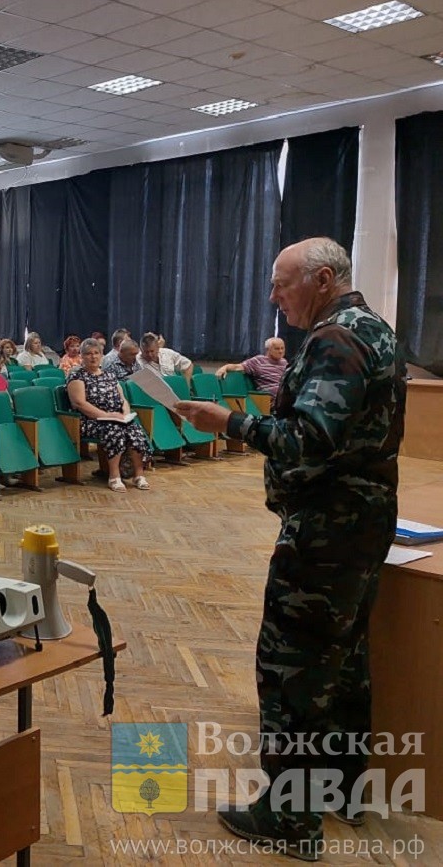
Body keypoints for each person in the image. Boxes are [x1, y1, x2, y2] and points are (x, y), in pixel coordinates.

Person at [175, 238, 404, 854]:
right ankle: (342, 793)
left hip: (327, 531)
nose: (273, 297)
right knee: (342, 661)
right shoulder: (373, 328)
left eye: (281, 284)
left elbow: (308, 439)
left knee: (292, 673)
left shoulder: (335, 340)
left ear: (322, 279)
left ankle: (291, 821)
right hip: (361, 522)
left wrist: (229, 423)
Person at [66, 338, 152, 492]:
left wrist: (125, 412)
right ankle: (114, 476)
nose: (93, 357)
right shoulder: (76, 376)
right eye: (88, 354)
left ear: (101, 355)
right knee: (115, 430)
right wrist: (107, 415)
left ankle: (138, 475)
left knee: (135, 430)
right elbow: (79, 403)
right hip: (90, 420)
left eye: (96, 353)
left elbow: (122, 399)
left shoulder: (109, 375)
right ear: (82, 356)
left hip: (115, 417)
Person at [216, 337, 288, 395]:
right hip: (269, 400)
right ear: (268, 350)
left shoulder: (284, 362)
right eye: (277, 349)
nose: (281, 351)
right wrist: (225, 368)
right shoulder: (258, 361)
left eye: (282, 348)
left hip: (286, 396)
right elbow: (238, 367)